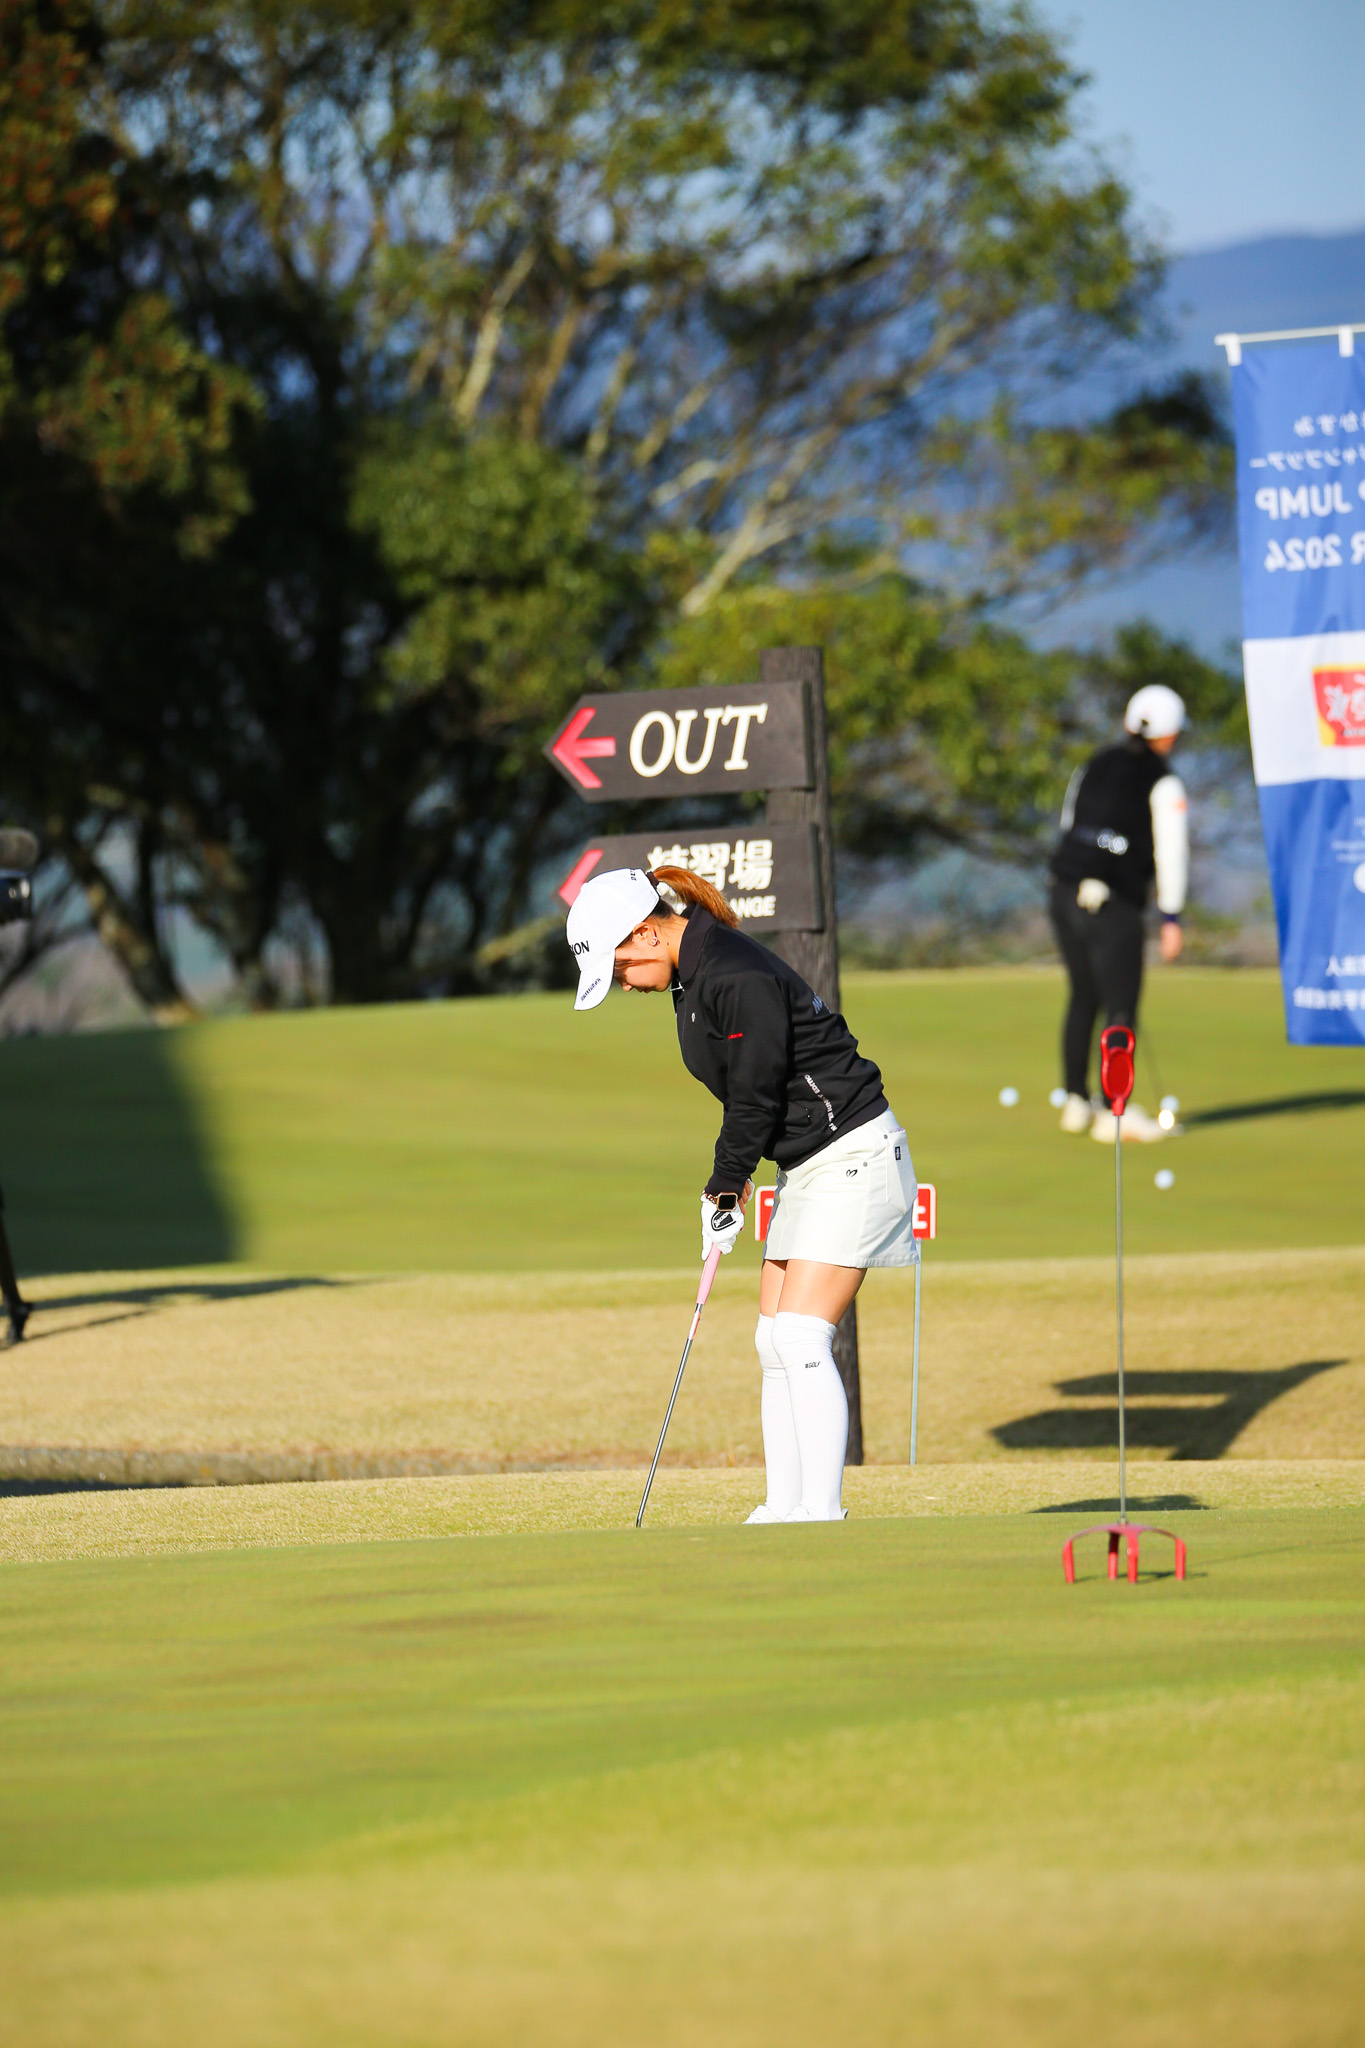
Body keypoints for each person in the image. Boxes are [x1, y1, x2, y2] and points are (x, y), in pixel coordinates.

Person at [566, 864, 918, 1523]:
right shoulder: (695, 978)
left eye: (619, 968)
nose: (623, 984)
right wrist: (730, 1184)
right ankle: (782, 1507)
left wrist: (724, 1186)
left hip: (853, 1154)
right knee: (772, 1341)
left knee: (802, 1337)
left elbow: (754, 1095)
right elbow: (747, 1096)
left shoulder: (734, 974)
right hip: (807, 1164)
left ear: (645, 934)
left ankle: (821, 1511)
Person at [1049, 683, 1189, 1142]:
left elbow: (1069, 823)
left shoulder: (1094, 762)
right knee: (1121, 1007)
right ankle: (1115, 1111)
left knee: (1083, 995)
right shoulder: (1163, 780)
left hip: (1064, 891)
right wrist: (1171, 917)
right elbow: (1171, 852)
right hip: (1114, 904)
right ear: (1168, 734)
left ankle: (1075, 1101)